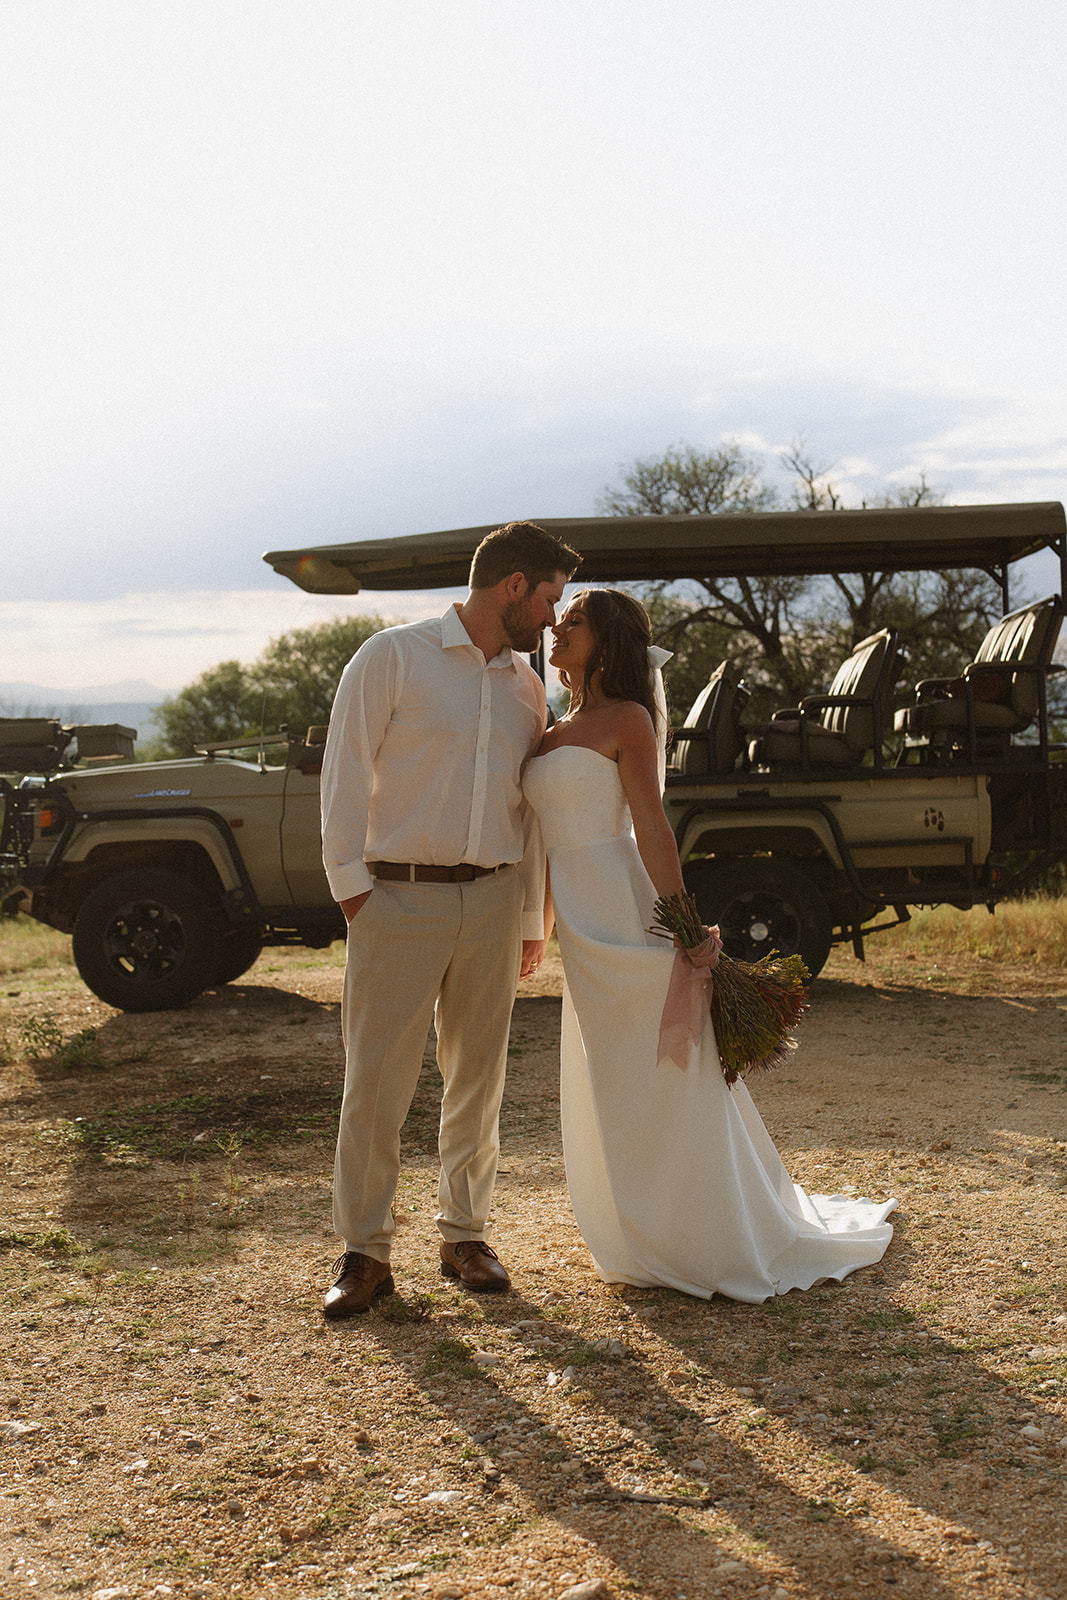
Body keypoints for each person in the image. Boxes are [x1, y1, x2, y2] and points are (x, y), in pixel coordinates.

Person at [521, 588, 896, 1301]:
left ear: (608, 642)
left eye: (574, 622)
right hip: (579, 922)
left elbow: (649, 826)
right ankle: (636, 1226)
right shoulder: (550, 728)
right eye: (558, 618)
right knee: (611, 1073)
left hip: (629, 912)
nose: (556, 628)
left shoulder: (627, 719)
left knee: (665, 1068)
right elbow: (542, 839)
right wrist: (534, 928)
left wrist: (684, 926)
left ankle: (698, 1230)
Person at [320, 521, 581, 1317]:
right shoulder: (391, 657)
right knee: (375, 1084)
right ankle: (365, 1253)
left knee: (478, 1078)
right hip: (395, 898)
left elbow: (527, 809)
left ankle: (464, 1235)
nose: (551, 618)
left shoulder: (526, 687)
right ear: (510, 586)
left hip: (494, 902)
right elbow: (343, 770)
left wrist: (531, 919)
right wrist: (353, 890)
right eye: (547, 599)